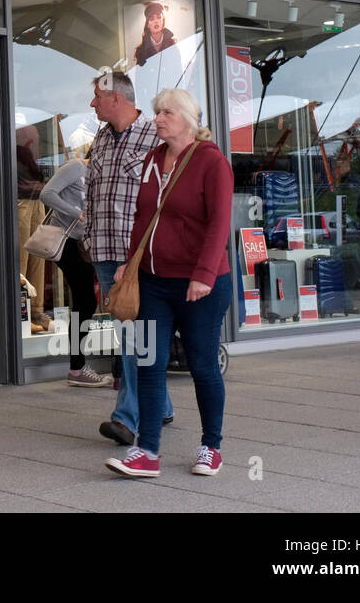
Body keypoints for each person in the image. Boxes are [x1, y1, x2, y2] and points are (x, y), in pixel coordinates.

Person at [105, 88, 233, 478]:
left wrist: (204, 275)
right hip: (154, 283)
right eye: (157, 112)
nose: (158, 118)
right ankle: (147, 452)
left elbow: (219, 225)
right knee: (149, 362)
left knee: (202, 365)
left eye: (166, 113)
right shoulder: (151, 160)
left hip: (201, 286)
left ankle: (211, 446)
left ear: (188, 120)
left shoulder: (212, 163)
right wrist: (130, 263)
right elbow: (142, 218)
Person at [83, 71, 173, 445]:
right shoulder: (102, 137)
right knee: (132, 337)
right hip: (104, 252)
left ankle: (127, 417)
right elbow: (91, 193)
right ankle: (161, 406)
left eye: (97, 98)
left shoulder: (156, 135)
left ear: (116, 98)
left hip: (137, 256)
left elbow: (168, 195)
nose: (92, 104)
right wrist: (88, 239)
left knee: (135, 338)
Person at [39, 156, 109, 388]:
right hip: (66, 241)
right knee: (86, 301)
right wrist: (76, 212)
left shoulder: (100, 174)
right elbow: (47, 193)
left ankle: (77, 367)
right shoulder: (76, 167)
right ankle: (77, 368)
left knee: (86, 301)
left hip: (83, 243)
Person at [16, 125, 51, 330]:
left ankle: (35, 311)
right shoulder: (11, 123)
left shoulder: (32, 128)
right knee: (20, 258)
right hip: (20, 196)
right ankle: (21, 313)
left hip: (35, 196)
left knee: (37, 255)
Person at [133, 2, 176, 67]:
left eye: (159, 17)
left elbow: (178, 72)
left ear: (163, 21)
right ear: (148, 24)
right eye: (152, 19)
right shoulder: (141, 51)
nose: (156, 21)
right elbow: (139, 76)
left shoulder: (172, 46)